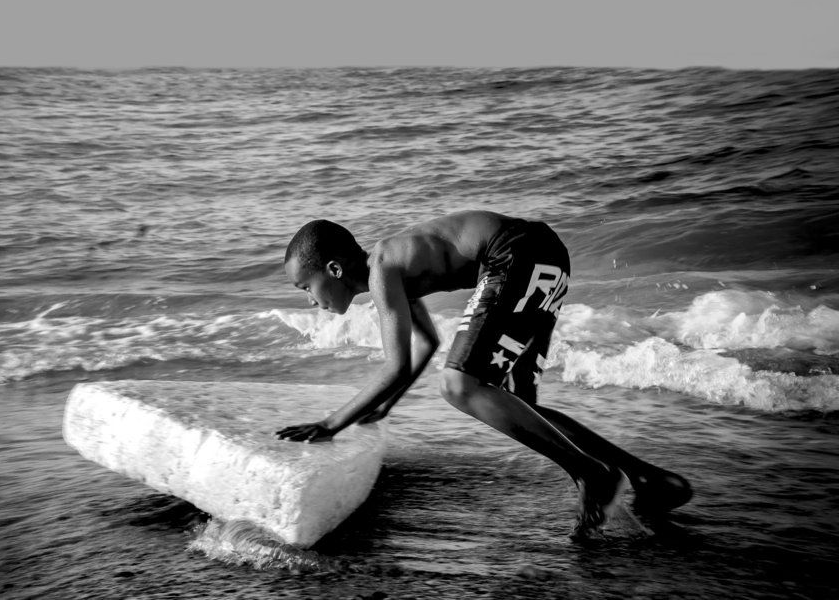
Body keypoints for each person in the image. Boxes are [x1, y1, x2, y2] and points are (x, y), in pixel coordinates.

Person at [275, 210, 692, 536]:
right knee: (516, 406)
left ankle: (592, 475)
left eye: (304, 288)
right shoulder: (391, 267)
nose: (310, 301)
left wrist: (331, 424)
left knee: (459, 385)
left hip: (516, 253)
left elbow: (397, 364)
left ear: (332, 270)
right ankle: (648, 479)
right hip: (545, 255)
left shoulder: (382, 265)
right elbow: (425, 344)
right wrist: (385, 407)